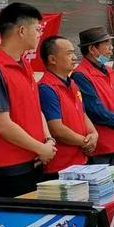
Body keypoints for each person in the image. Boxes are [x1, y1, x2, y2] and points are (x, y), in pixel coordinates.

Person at [0, 3, 56, 197]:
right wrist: (40, 148)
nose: (39, 34)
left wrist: (48, 140)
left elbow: (36, 109)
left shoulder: (24, 64)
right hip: (7, 170)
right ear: (21, 30)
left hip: (33, 161)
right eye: (37, 29)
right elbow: (2, 124)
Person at [72, 27, 114, 165]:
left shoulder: (110, 71)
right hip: (102, 146)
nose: (111, 47)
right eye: (106, 43)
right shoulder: (81, 75)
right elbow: (96, 111)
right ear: (92, 49)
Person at [38, 36, 98, 181]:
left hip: (79, 159)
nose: (74, 57)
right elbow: (56, 129)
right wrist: (85, 142)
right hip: (61, 166)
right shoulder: (47, 88)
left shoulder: (72, 84)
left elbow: (82, 114)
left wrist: (94, 133)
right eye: (69, 53)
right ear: (52, 59)